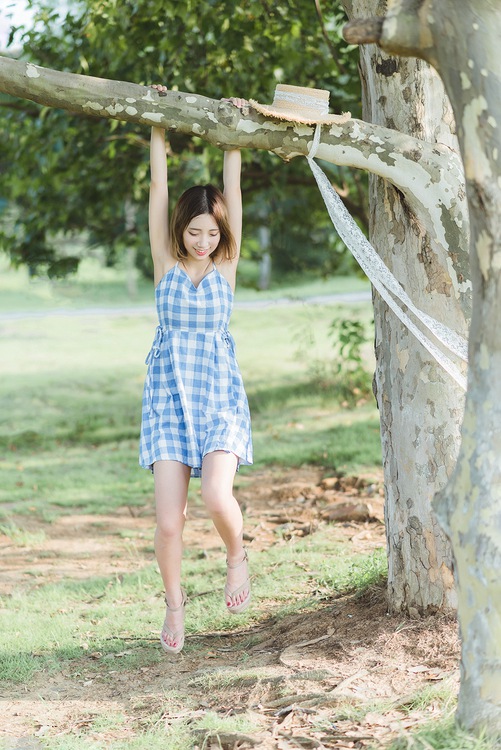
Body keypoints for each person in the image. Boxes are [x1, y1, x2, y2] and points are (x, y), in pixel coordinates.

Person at [139, 85, 253, 654]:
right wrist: (159, 124)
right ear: (180, 230)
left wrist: (233, 134)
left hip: (218, 395)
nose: (205, 241)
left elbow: (232, 187)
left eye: (213, 232)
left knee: (214, 494)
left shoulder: (228, 264)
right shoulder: (164, 261)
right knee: (168, 522)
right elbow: (159, 187)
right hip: (167, 397)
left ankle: (237, 557)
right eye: (195, 231)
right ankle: (175, 606)